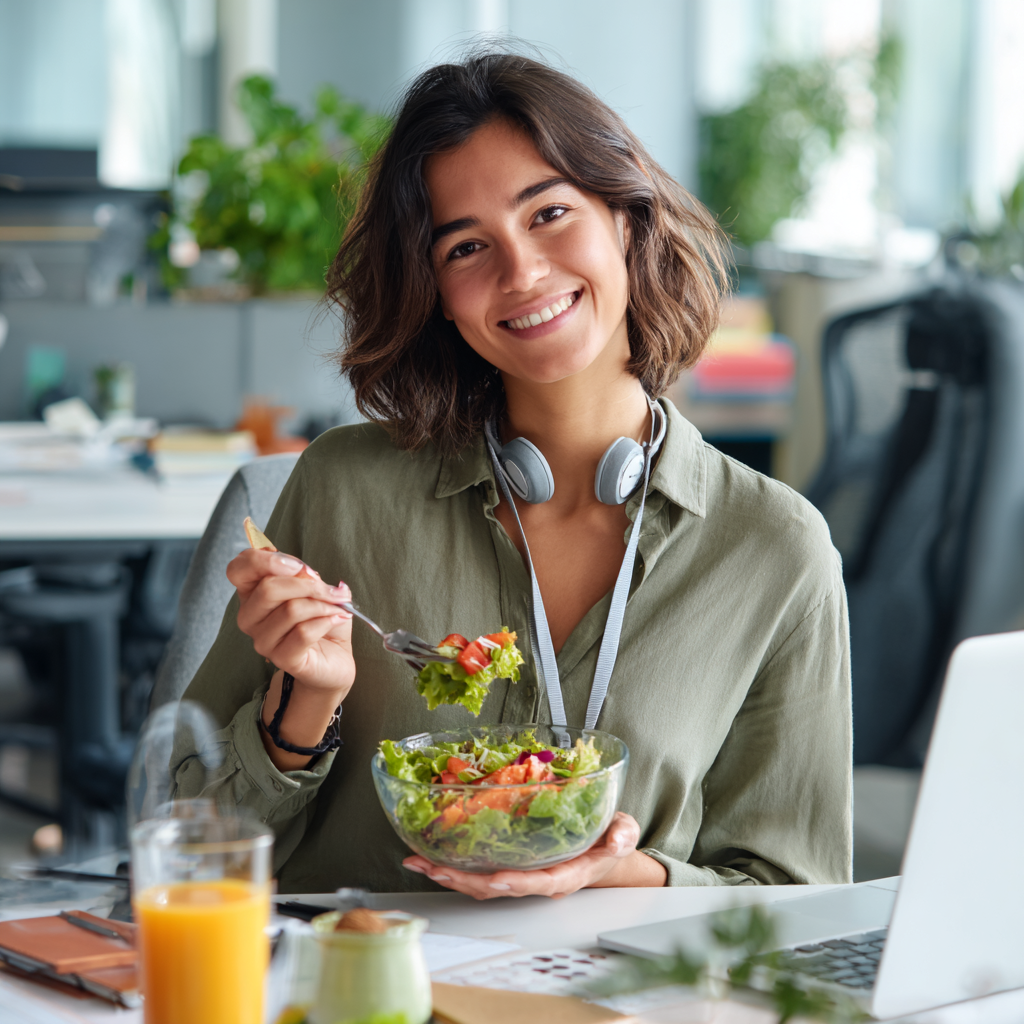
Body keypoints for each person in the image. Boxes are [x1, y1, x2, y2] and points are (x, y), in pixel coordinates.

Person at [174, 52, 852, 898]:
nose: (521, 271)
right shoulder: (342, 492)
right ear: (438, 295)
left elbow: (796, 899)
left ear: (627, 221)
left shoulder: (774, 548)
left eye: (551, 213)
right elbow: (185, 847)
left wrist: (619, 872)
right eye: (466, 246)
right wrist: (303, 709)